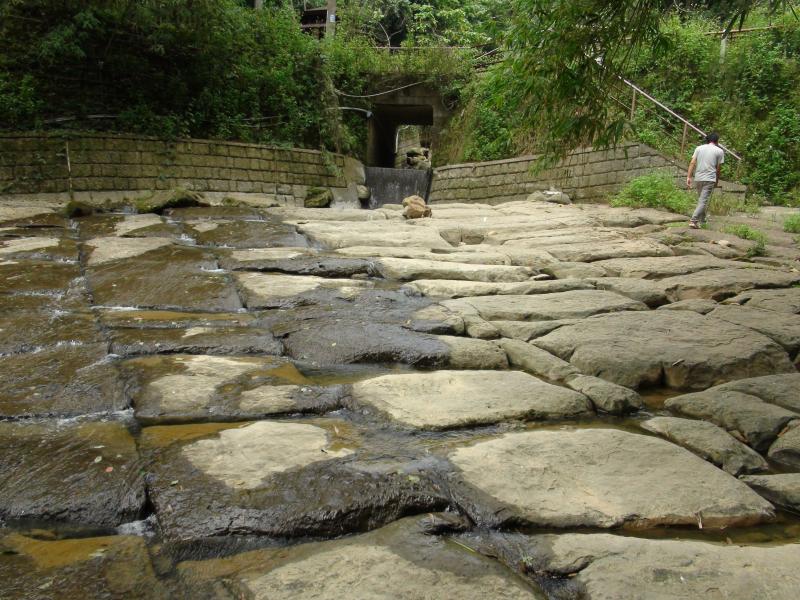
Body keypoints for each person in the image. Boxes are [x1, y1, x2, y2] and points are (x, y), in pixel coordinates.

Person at [686, 132, 724, 229]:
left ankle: (702, 220)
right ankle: (693, 220)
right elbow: (718, 168)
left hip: (698, 177)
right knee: (703, 201)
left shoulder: (698, 148)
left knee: (701, 200)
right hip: (709, 178)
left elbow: (692, 163)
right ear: (717, 141)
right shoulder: (719, 151)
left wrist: (689, 177)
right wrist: (717, 180)